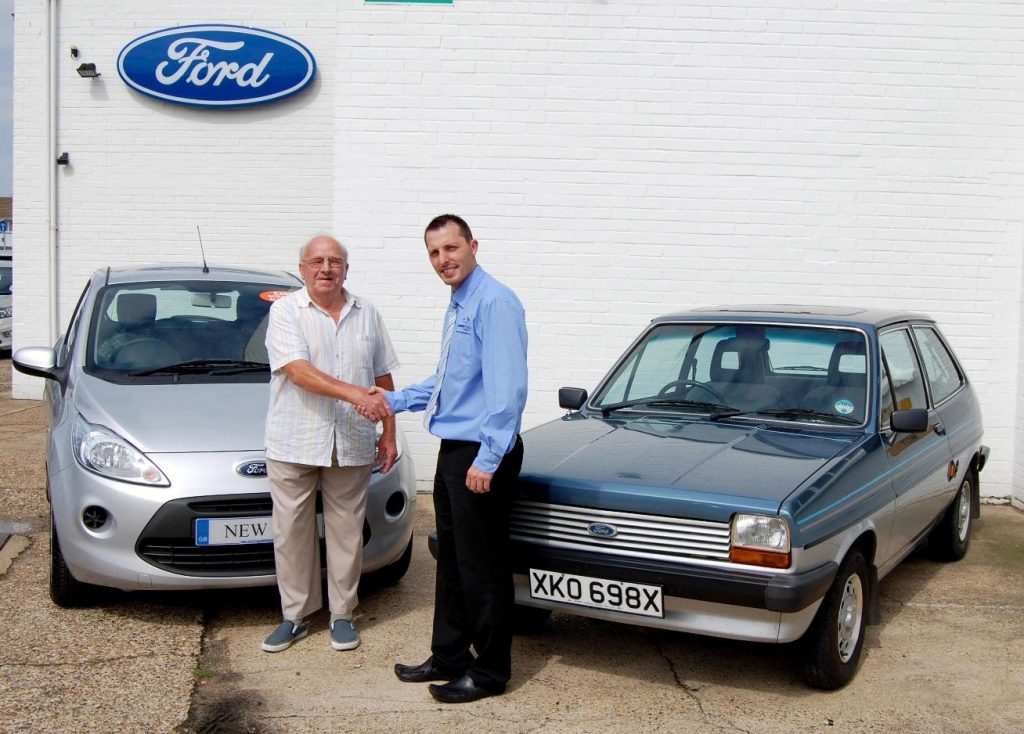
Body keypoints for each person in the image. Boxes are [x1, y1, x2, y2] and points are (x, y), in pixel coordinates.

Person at [372, 214, 528, 703]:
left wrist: (489, 458)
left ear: (473, 245)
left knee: (482, 566)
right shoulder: (460, 303)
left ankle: (490, 674)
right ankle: (449, 655)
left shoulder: (494, 302)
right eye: (434, 253)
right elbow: (449, 383)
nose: (444, 260)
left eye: (451, 248)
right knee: (453, 562)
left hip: (482, 453)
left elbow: (507, 390)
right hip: (456, 450)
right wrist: (390, 400)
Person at [261, 234, 397, 654]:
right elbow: (299, 372)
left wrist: (388, 431)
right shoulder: (285, 311)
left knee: (346, 532)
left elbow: (383, 376)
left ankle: (342, 614)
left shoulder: (367, 312)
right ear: (302, 269)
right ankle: (296, 616)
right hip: (294, 439)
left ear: (346, 269)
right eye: (317, 261)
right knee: (291, 533)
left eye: (334, 261)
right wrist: (355, 395)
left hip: (353, 441)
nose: (326, 268)